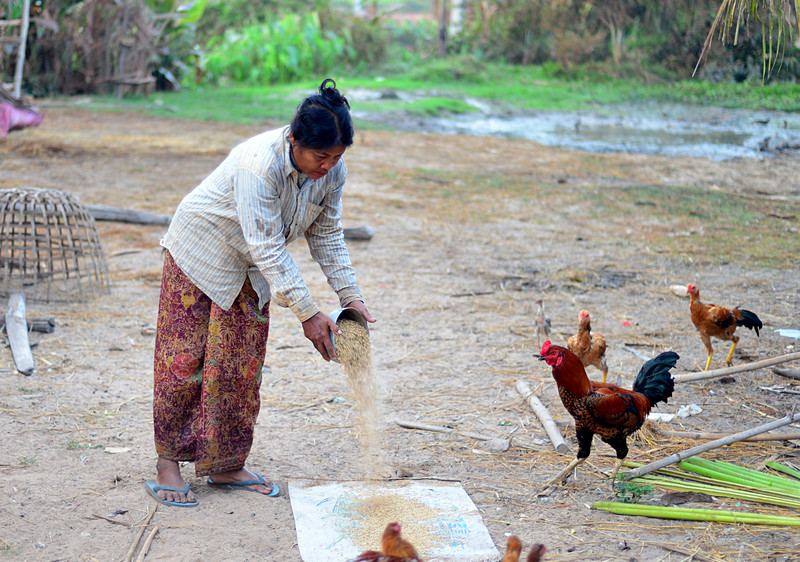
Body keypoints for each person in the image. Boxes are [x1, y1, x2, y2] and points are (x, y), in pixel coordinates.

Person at [145, 78, 375, 507]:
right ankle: (169, 464)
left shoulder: (331, 173)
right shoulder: (259, 165)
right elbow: (268, 245)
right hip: (201, 253)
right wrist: (308, 313)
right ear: (293, 140)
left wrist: (351, 297)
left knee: (240, 366)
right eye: (320, 155)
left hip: (250, 267)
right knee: (184, 361)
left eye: (337, 157)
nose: (328, 165)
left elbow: (326, 233)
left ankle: (225, 464)